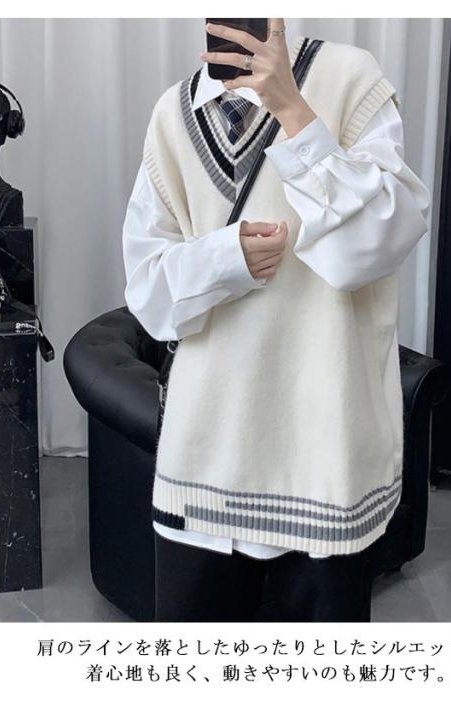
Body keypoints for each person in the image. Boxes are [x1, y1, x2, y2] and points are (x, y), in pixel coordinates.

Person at [122, 18, 431, 622]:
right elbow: (149, 294)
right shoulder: (171, 114)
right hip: (203, 464)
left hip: (323, 463)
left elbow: (376, 247)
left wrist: (293, 110)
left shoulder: (350, 78)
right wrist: (223, 259)